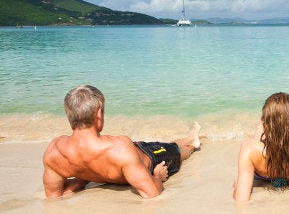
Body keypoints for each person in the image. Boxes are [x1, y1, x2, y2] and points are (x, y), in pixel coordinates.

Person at [42, 84, 201, 199]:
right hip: (149, 158)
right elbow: (152, 192)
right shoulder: (120, 148)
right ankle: (193, 144)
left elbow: (54, 194)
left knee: (168, 144)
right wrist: (158, 176)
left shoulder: (54, 152)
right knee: (176, 151)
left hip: (133, 154)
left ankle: (189, 137)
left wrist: (87, 175)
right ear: (99, 115)